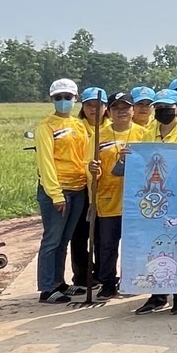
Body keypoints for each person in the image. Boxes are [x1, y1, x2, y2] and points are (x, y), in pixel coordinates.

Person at [135, 89, 177, 315]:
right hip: (154, 199)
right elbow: (141, 161)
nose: (163, 111)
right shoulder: (146, 133)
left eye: (168, 108)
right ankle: (157, 294)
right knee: (156, 245)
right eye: (159, 107)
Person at [34, 78, 91, 304]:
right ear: (52, 99)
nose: (64, 101)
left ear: (75, 99)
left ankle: (59, 282)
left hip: (78, 189)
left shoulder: (79, 126)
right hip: (58, 191)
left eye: (68, 97)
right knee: (51, 240)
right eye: (59, 98)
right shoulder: (46, 127)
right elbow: (45, 162)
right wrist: (55, 194)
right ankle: (47, 288)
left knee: (64, 239)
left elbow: (85, 156)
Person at [89, 92, 146, 299]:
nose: (121, 111)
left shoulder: (143, 134)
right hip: (107, 198)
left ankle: (132, 281)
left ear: (133, 110)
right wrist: (93, 169)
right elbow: (91, 166)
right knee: (107, 246)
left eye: (126, 107)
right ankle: (107, 283)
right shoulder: (98, 135)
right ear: (109, 111)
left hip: (135, 201)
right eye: (116, 108)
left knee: (135, 244)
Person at [70, 86, 110, 291]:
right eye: (89, 105)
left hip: (104, 188)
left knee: (103, 234)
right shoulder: (76, 127)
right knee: (80, 233)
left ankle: (104, 273)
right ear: (83, 107)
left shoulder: (112, 127)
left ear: (106, 107)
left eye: (99, 105)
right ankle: (82, 274)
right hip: (81, 186)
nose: (94, 109)